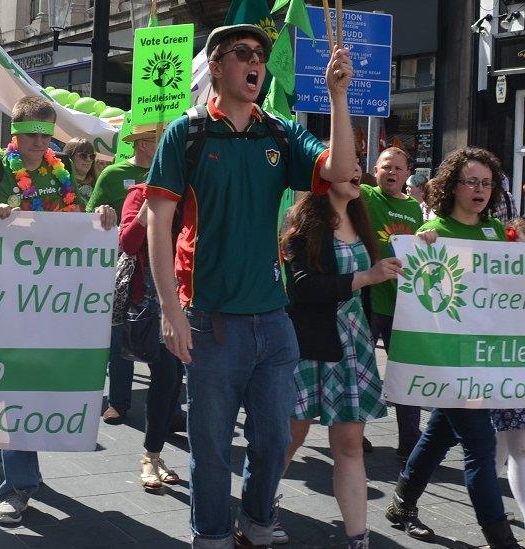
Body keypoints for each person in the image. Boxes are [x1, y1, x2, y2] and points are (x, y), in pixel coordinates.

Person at [145, 24, 357, 548]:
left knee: (273, 440)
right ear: (216, 66)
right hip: (210, 320)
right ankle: (212, 534)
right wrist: (171, 312)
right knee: (212, 447)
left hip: (274, 320)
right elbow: (157, 222)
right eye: (243, 53)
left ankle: (257, 520)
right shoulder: (187, 133)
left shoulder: (279, 132)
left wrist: (337, 97)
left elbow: (344, 170)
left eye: (260, 55)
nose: (256, 63)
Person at [0, 95, 117, 525]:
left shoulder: (60, 171)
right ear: (16, 132)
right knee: (15, 385)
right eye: (31, 135)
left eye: (46, 136)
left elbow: (72, 224)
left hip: (48, 300)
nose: (38, 143)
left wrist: (98, 216)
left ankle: (10, 452)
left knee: (25, 385)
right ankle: (18, 487)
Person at [387, 147, 521, 549]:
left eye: (486, 183)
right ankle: (501, 540)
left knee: (438, 434)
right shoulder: (436, 232)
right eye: (471, 182)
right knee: (479, 445)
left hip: (482, 361)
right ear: (452, 186)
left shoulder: (495, 233)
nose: (480, 190)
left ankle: (401, 503)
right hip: (448, 360)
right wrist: (420, 247)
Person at [280, 164, 399, 548]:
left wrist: (427, 241)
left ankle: (357, 537)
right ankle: (259, 507)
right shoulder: (303, 223)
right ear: (323, 177)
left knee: (348, 445)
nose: (357, 174)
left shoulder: (361, 217)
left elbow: (395, 253)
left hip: (353, 340)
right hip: (309, 341)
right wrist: (365, 277)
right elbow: (301, 287)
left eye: (357, 169)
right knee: (290, 436)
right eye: (347, 168)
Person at [88, 124, 160, 425]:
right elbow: (90, 212)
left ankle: (168, 409)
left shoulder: (174, 173)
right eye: (157, 141)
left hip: (159, 267)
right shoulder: (113, 174)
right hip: (122, 268)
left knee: (165, 345)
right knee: (121, 338)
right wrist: (102, 210)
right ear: (142, 144)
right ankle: (118, 401)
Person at [359, 147, 424, 461]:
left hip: (404, 306)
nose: (392, 172)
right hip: (369, 301)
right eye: (386, 166)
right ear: (376, 169)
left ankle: (410, 440)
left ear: (406, 173)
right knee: (359, 370)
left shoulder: (414, 208)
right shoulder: (367, 196)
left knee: (406, 375)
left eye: (398, 168)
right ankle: (353, 434)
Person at [119, 182, 184, 493]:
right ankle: (150, 455)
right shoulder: (139, 193)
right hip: (154, 301)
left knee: (177, 379)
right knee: (167, 377)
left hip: (193, 297)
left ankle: (156, 456)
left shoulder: (196, 193)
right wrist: (150, 204)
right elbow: (128, 242)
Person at [495, 217, 525, 524]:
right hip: (504, 366)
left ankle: (486, 500)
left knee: (503, 442)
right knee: (517, 444)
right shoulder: (503, 255)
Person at [61, 137, 97, 206]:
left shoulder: (98, 185)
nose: (88, 160)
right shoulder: (59, 183)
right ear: (70, 156)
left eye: (92, 156)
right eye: (83, 155)